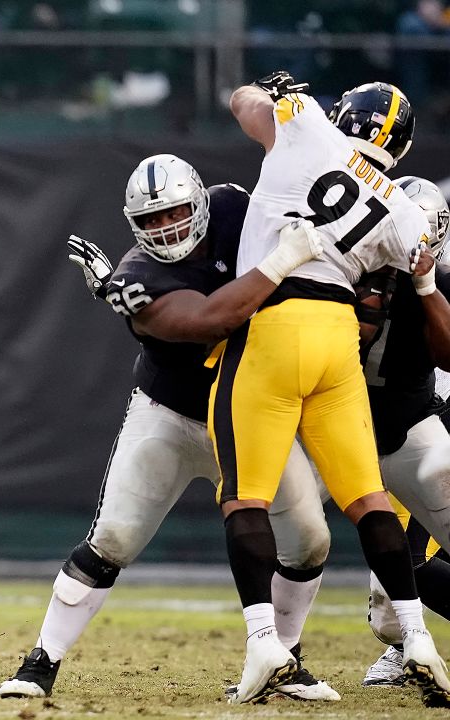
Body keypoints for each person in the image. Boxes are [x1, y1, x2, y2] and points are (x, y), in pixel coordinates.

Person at [0, 154, 335, 702]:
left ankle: (286, 659)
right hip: (171, 415)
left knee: (312, 541)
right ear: (134, 225)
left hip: (254, 416)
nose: (166, 227)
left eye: (174, 212)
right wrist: (280, 263)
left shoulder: (235, 208)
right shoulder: (136, 277)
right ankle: (42, 660)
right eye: (151, 220)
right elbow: (210, 319)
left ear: (199, 201)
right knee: (113, 538)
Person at [218, 72, 450, 706]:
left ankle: (267, 641)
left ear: (344, 114)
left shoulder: (310, 130)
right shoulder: (404, 208)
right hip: (339, 337)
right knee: (367, 496)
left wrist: (284, 96)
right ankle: (416, 637)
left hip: (275, 318)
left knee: (245, 496)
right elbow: (415, 265)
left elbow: (242, 103)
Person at [348, 176, 450, 686]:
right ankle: (403, 648)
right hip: (357, 430)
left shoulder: (440, 289)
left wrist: (425, 289)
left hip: (424, 432)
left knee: (419, 566)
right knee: (388, 610)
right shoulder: (356, 273)